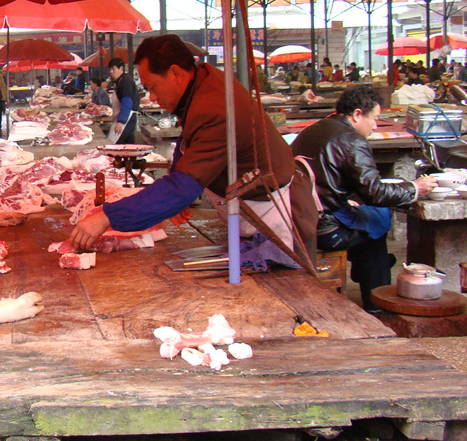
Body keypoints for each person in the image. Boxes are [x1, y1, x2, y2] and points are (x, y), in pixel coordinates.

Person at [70, 35, 317, 264]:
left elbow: (183, 187)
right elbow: (189, 143)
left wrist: (107, 216)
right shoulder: (202, 83)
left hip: (275, 219)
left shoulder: (215, 106)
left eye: (153, 86)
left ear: (176, 73)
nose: (152, 97)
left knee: (276, 299)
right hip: (249, 212)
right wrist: (176, 186)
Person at [291, 85, 437, 313]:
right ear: (357, 114)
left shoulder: (313, 130)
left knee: (368, 222)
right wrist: (414, 188)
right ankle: (377, 305)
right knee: (376, 228)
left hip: (302, 216)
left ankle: (369, 280)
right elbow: (376, 193)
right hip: (323, 229)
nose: (376, 126)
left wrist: (343, 198)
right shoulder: (353, 141)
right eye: (375, 119)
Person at [108, 57, 139, 144]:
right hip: (125, 116)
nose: (111, 72)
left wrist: (121, 122)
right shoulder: (120, 81)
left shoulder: (126, 81)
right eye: (110, 69)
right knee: (128, 143)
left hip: (127, 117)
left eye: (113, 69)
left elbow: (127, 102)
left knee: (115, 144)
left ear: (121, 68)